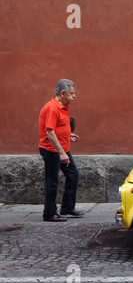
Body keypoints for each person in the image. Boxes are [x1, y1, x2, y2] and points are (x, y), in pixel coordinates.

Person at [39, 79, 85, 222]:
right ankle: (49, 213)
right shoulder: (52, 108)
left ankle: (67, 208)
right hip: (52, 150)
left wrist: (67, 134)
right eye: (71, 94)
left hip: (62, 149)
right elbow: (50, 132)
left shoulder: (62, 106)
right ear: (63, 93)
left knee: (73, 174)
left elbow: (57, 128)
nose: (74, 96)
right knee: (52, 182)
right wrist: (61, 152)